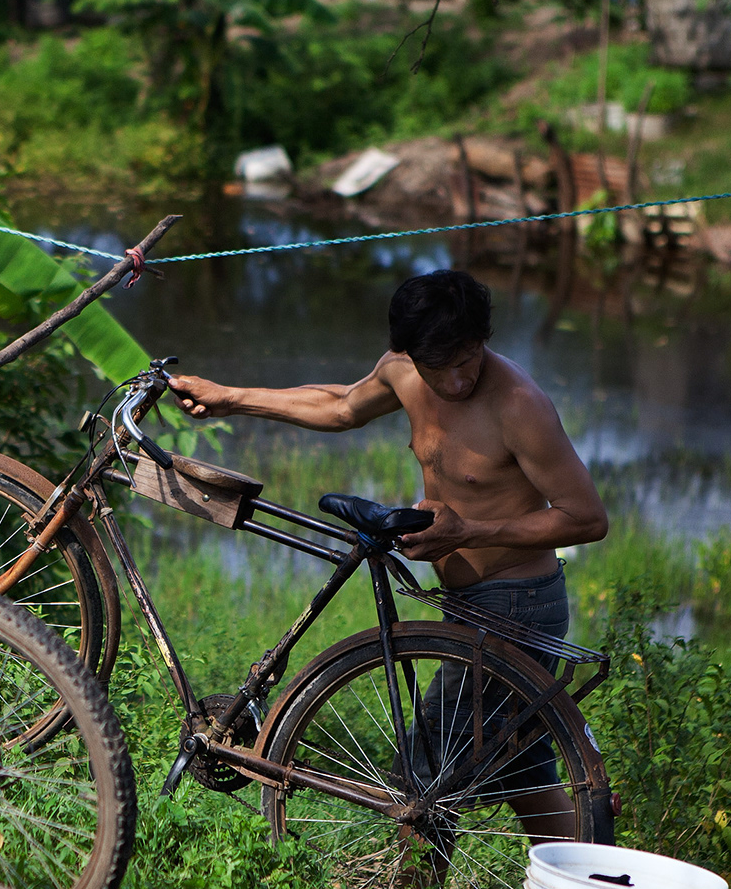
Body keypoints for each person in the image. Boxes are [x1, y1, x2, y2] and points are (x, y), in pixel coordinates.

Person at [166, 268, 607, 842]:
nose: (453, 380)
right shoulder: (403, 370)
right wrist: (230, 398)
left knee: (423, 779)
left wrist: (468, 530)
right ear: (408, 353)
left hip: (516, 606)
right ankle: (594, 883)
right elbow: (342, 405)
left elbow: (586, 517)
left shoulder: (519, 406)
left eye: (467, 360)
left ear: (484, 340)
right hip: (467, 604)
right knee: (520, 768)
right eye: (436, 365)